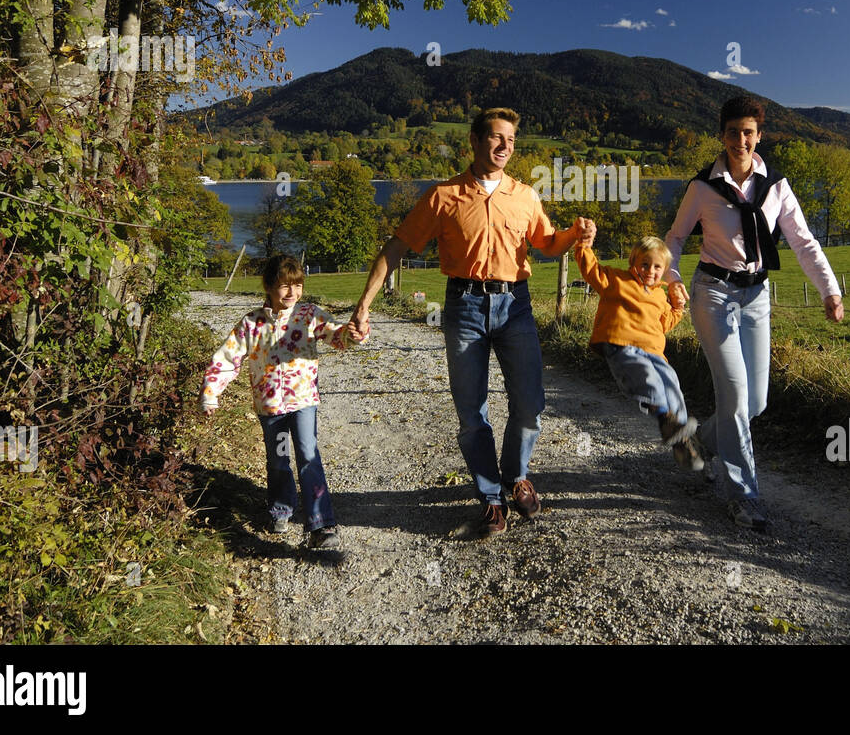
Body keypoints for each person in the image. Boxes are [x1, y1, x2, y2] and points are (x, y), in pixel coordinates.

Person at [347, 108, 592, 537]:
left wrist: (575, 235)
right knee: (470, 411)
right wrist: (365, 303)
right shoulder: (443, 196)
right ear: (475, 142)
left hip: (515, 305)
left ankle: (515, 476)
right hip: (463, 307)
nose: (504, 147)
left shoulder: (525, 196)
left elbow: (548, 245)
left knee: (531, 404)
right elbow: (396, 246)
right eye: (497, 138)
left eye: (511, 140)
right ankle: (490, 496)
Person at [665, 96, 844, 530]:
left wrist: (830, 291)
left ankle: (697, 441)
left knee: (757, 402)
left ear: (759, 136)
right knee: (736, 397)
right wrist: (671, 277)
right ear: (722, 136)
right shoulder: (702, 187)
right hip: (713, 293)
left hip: (756, 296)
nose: (740, 140)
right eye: (732, 132)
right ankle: (744, 497)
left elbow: (803, 243)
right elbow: (674, 239)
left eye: (748, 132)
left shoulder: (777, 187)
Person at [199, 253, 352, 549]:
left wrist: (354, 333)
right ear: (269, 286)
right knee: (279, 460)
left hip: (303, 402)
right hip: (271, 408)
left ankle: (320, 525)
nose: (292, 292)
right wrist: (210, 392)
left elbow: (337, 336)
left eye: (297, 285)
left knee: (308, 454)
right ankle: (282, 509)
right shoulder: (252, 324)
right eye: (284, 286)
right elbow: (228, 358)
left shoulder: (308, 315)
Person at [574, 233, 702, 470]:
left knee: (672, 383)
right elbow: (590, 269)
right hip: (622, 345)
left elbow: (664, 324)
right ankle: (664, 417)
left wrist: (677, 306)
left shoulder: (659, 295)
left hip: (653, 351)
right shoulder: (617, 280)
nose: (650, 271)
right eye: (645, 264)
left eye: (657, 267)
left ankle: (681, 437)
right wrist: (584, 244)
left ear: (664, 270)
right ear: (633, 261)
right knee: (647, 376)